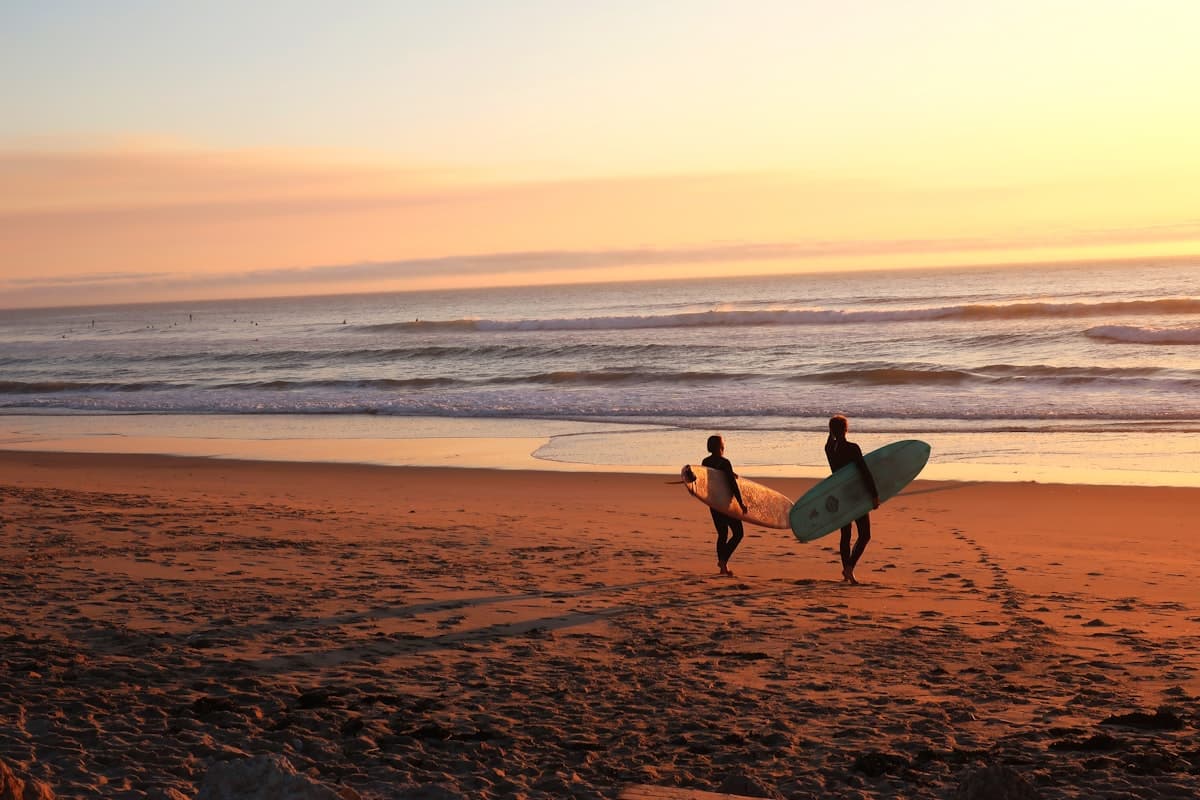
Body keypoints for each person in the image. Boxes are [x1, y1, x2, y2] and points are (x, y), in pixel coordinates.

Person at [825, 415, 879, 584]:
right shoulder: (852, 448)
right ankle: (849, 568)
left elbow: (831, 441)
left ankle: (847, 570)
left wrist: (831, 433)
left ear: (831, 430)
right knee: (865, 534)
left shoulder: (828, 448)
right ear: (846, 429)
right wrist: (874, 495)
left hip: (839, 495)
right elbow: (864, 472)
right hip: (855, 495)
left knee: (845, 535)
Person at [702, 434, 747, 576]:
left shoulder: (705, 461)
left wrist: (730, 473)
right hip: (726, 504)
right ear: (720, 446)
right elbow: (732, 485)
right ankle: (723, 561)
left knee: (722, 534)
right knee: (738, 533)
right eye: (723, 443)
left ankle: (723, 567)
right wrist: (741, 503)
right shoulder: (725, 462)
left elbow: (709, 479)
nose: (724, 445)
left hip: (713, 503)